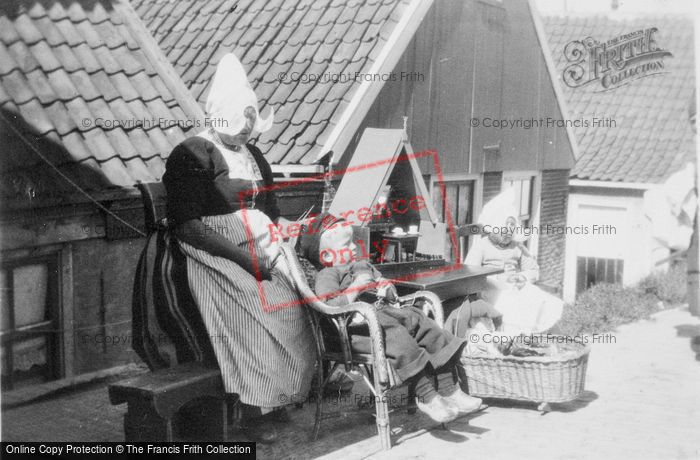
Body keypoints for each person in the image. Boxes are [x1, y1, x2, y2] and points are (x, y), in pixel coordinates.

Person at [162, 53, 314, 443]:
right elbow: (187, 225)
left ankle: (276, 397)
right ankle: (251, 411)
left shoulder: (253, 155)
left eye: (251, 123)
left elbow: (271, 210)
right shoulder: (193, 154)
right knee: (258, 309)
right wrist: (244, 259)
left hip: (259, 245)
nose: (248, 132)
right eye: (240, 122)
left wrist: (289, 229)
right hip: (212, 251)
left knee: (294, 307)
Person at [299, 213, 483, 423]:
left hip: (386, 316)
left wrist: (387, 288)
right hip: (354, 331)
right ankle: (429, 397)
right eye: (345, 244)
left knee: (425, 323)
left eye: (353, 242)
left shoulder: (364, 265)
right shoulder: (328, 275)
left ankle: (451, 390)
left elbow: (386, 285)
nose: (353, 247)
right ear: (328, 257)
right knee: (398, 337)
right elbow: (331, 306)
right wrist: (357, 285)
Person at [464, 188, 563, 334]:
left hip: (515, 286)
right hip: (490, 290)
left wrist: (522, 276)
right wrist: (498, 279)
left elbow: (534, 270)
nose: (509, 231)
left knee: (541, 299)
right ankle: (516, 335)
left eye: (512, 226)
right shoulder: (481, 246)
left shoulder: (517, 247)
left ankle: (534, 334)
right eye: (505, 226)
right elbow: (470, 273)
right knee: (515, 304)